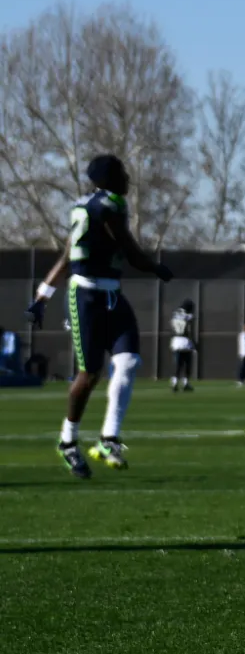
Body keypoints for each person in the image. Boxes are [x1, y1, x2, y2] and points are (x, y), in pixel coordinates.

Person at [23, 155, 175, 478]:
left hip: (110, 295)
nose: (128, 178)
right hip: (86, 296)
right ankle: (68, 441)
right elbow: (131, 252)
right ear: (109, 179)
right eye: (122, 173)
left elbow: (68, 254)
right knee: (89, 374)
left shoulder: (87, 205)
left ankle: (108, 437)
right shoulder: (109, 206)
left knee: (129, 361)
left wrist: (41, 297)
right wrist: (157, 268)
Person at [169, 299, 196, 392]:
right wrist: (194, 343)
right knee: (187, 363)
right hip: (185, 341)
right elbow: (189, 329)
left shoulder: (174, 315)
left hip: (176, 340)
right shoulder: (189, 316)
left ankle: (174, 382)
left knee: (177, 364)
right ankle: (185, 383)